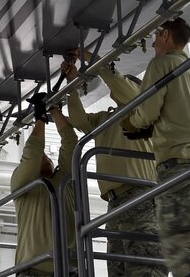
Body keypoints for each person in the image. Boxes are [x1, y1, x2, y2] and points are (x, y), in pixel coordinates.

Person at [124, 17, 190, 277]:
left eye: (155, 38)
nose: (152, 45)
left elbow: (147, 111)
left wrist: (131, 123)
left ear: (166, 35)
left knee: (179, 243)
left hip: (179, 165)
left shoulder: (161, 64)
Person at [64, 50, 166, 277]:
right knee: (117, 268)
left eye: (125, 86)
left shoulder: (143, 113)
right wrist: (71, 85)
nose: (117, 90)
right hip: (115, 202)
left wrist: (91, 58)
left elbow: (118, 83)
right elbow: (80, 120)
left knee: (145, 267)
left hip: (141, 196)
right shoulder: (106, 118)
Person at [11, 101, 78, 275]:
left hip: (69, 270)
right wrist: (40, 120)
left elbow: (71, 143)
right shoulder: (22, 184)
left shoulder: (64, 180)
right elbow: (32, 153)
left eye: (47, 156)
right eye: (42, 155)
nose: (45, 157)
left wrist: (54, 111)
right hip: (33, 270)